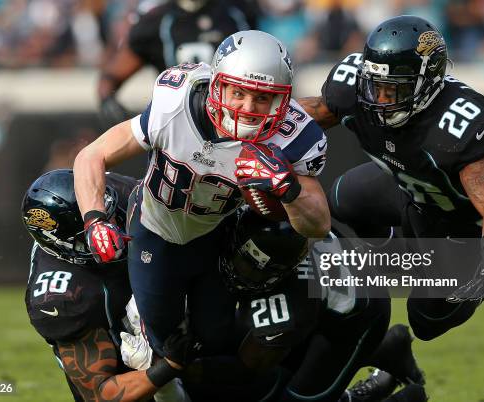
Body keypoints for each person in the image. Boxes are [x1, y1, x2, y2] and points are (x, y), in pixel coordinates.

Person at [74, 29, 331, 387]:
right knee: (162, 348)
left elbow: (318, 224)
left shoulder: (293, 136)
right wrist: (94, 219)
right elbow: (92, 154)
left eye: (262, 99)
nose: (246, 108)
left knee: (213, 341)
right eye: (238, 92)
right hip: (154, 230)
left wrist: (289, 186)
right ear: (216, 85)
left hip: (214, 237)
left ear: (282, 101)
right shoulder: (177, 101)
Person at [297, 15, 484, 342]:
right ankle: (402, 257)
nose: (378, 98)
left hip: (463, 224)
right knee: (343, 198)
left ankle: (446, 271)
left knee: (425, 323)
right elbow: (308, 116)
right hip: (411, 191)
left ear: (428, 81)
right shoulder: (353, 90)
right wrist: (256, 125)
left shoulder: (455, 123)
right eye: (374, 85)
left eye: (392, 89)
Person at [119, 207, 426, 402]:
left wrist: (177, 368)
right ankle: (390, 349)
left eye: (253, 269)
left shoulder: (288, 307)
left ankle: (393, 397)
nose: (239, 272)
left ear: (282, 272)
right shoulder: (243, 219)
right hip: (332, 274)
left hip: (356, 314)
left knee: (297, 397)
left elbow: (245, 369)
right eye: (241, 258)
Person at [22, 169, 189, 402]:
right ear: (63, 244)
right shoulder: (60, 297)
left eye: (107, 216)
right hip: (129, 368)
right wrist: (170, 364)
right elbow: (102, 394)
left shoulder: (114, 189)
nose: (111, 229)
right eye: (88, 234)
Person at [98, 0, 257, 127]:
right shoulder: (156, 20)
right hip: (177, 124)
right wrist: (108, 100)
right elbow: (112, 75)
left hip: (231, 119)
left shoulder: (237, 12)